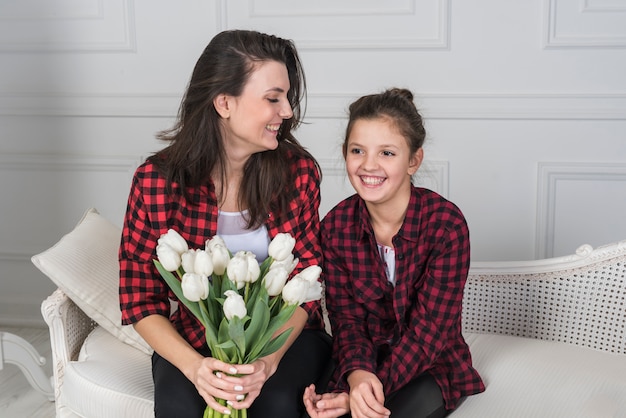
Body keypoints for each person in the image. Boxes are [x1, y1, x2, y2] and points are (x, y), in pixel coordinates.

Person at [119, 29, 332, 418]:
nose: (286, 111)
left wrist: (266, 365)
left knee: (276, 404)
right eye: (272, 98)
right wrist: (195, 368)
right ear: (224, 103)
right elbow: (138, 299)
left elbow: (305, 285)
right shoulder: (156, 181)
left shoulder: (298, 172)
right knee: (180, 408)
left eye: (286, 97)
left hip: (286, 342)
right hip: (196, 345)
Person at [303, 88, 485, 418]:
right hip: (363, 362)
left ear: (414, 160)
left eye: (387, 153)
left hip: (430, 364)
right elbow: (347, 322)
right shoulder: (335, 227)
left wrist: (360, 395)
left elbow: (429, 334)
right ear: (345, 153)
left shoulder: (445, 225)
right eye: (358, 150)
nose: (368, 165)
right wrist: (356, 379)